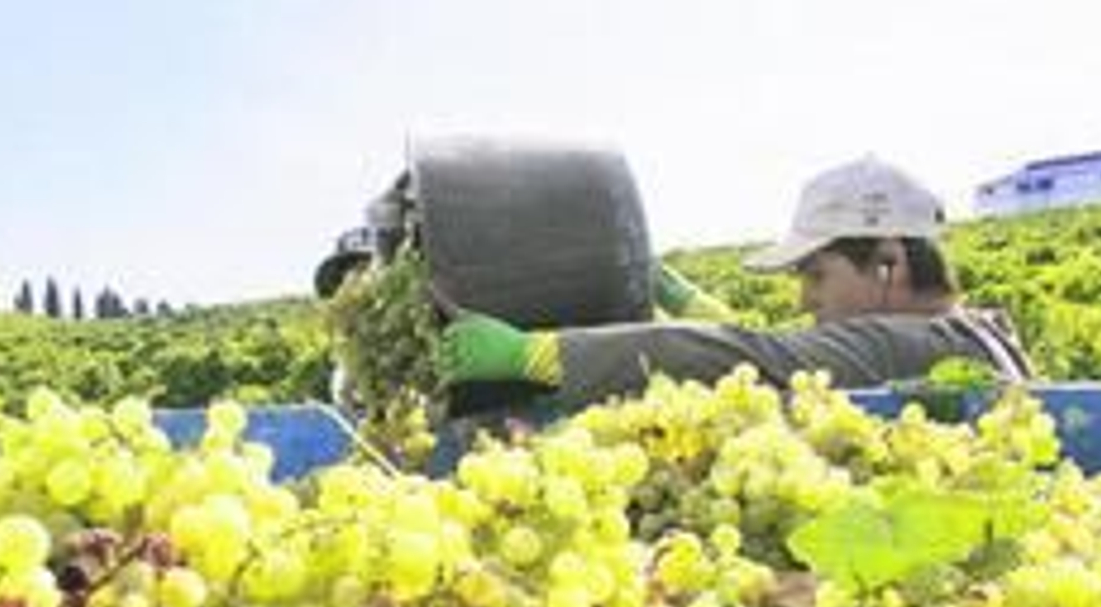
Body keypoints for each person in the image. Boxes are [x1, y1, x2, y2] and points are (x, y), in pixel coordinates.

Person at [436, 155, 1032, 415]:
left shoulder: (933, 347)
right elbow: (796, 355)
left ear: (888, 262)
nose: (805, 300)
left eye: (817, 275)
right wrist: (691, 303)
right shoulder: (963, 337)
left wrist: (535, 354)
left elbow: (760, 359)